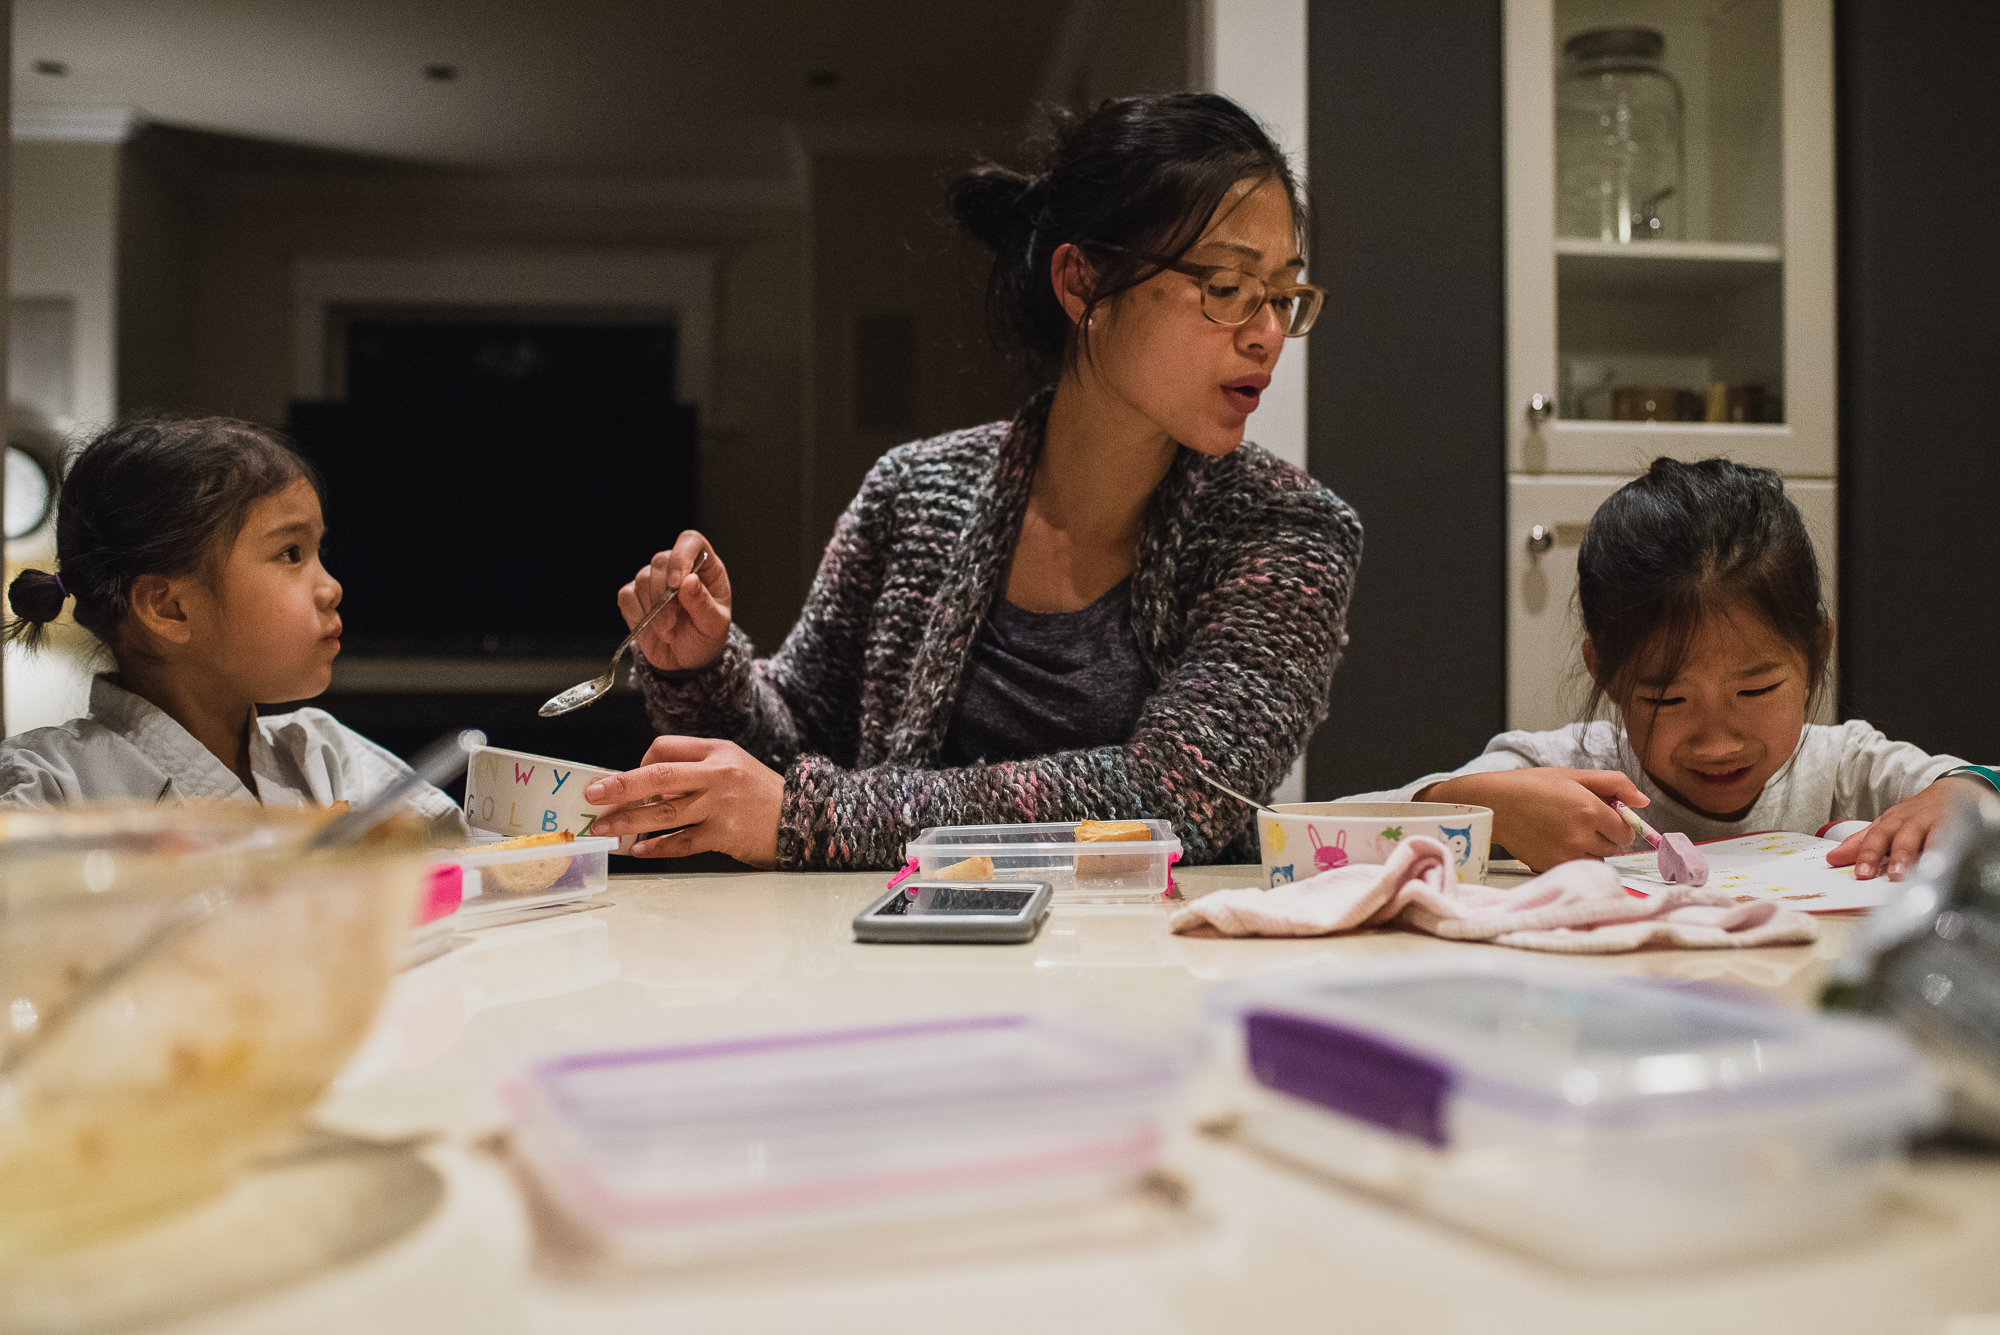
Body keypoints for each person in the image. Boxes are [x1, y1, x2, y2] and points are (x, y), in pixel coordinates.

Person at [586, 93, 1363, 869]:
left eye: (1285, 297)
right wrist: (700, 668)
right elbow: (791, 742)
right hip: (888, 962)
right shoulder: (912, 492)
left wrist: (809, 817)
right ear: (1083, 283)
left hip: (1150, 979)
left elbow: (1173, 800)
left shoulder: (1290, 531)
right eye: (1227, 288)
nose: (1266, 333)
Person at [1351, 457, 1995, 877]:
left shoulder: (1847, 768)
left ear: (1817, 652)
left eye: (1756, 688)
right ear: (1605, 672)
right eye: (1668, 700)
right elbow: (1341, 829)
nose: (1718, 741)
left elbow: (1980, 788)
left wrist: (1965, 795)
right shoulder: (1572, 771)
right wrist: (1479, 805)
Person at [0, 416, 465, 831]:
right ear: (169, 609)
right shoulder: (49, 786)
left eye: (317, 553)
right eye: (290, 554)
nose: (331, 588)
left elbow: (471, 871)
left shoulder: (325, 756)